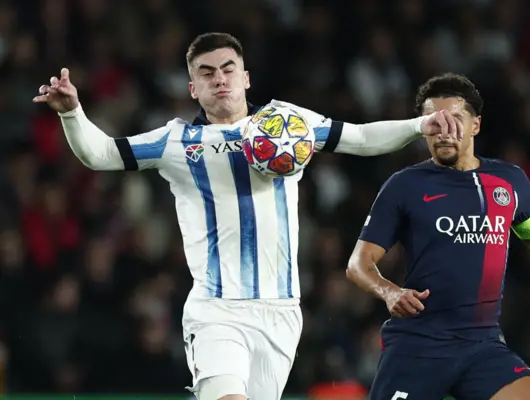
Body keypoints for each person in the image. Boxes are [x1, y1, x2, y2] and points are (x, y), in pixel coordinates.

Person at [32, 33, 463, 400]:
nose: (219, 78)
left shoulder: (288, 124)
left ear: (245, 77)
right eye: (206, 72)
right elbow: (101, 153)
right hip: (216, 309)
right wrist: (72, 112)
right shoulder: (176, 142)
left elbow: (361, 137)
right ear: (192, 89)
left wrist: (416, 126)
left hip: (281, 311)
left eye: (228, 68)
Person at [346, 73, 530, 400]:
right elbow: (358, 264)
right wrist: (389, 292)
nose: (444, 130)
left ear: (476, 125)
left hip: (482, 346)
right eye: (434, 121)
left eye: (456, 120)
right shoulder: (404, 186)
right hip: (418, 346)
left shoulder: (508, 182)